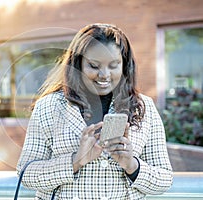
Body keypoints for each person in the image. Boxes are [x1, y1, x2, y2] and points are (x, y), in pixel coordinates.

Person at [16, 23, 173, 199]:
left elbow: (164, 178)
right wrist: (76, 160)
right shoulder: (49, 106)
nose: (104, 75)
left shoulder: (144, 107)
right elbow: (26, 174)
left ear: (124, 65)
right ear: (78, 64)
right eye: (94, 65)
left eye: (113, 65)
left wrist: (132, 165)